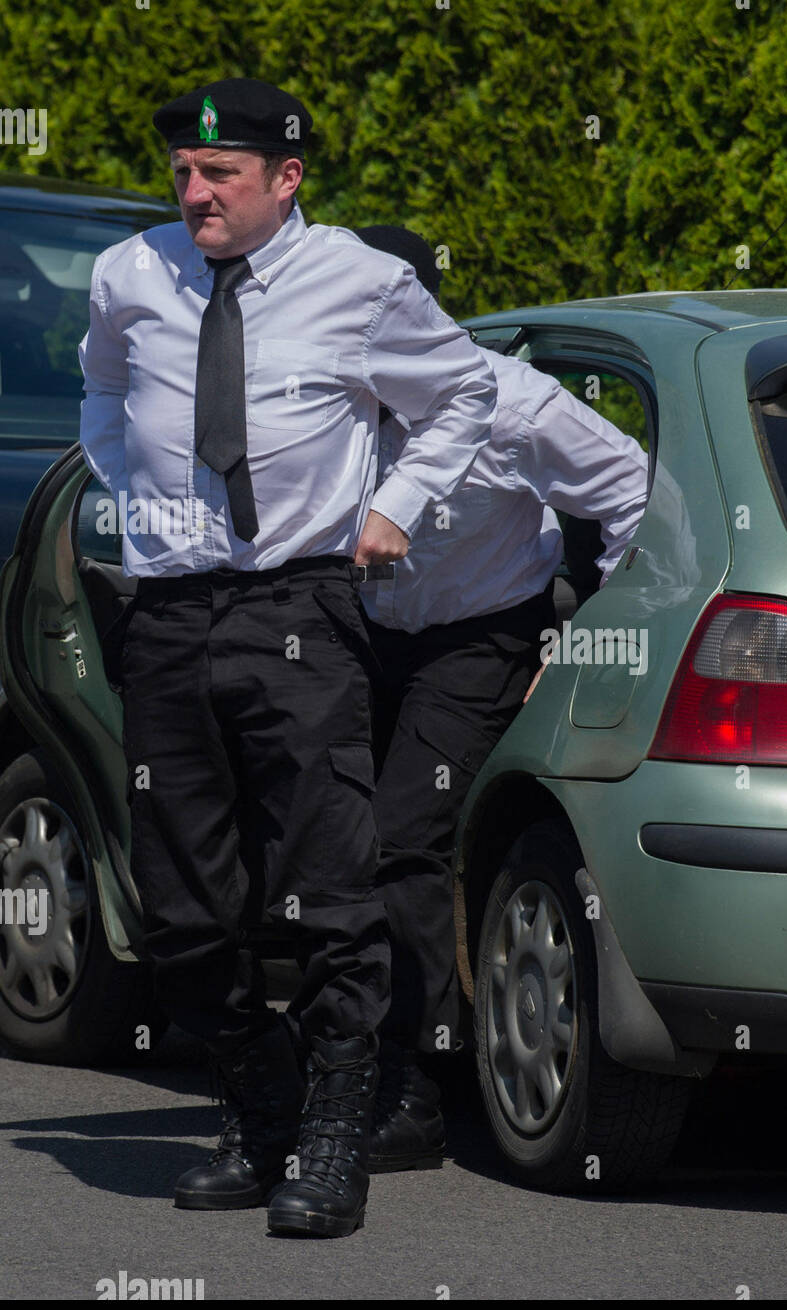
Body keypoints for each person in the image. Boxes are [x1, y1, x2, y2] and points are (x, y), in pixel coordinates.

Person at [78, 80, 497, 1238]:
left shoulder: (363, 282)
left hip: (299, 606)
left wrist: (401, 498)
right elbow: (102, 391)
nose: (194, 191)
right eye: (183, 172)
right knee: (182, 904)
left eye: (221, 175)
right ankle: (260, 1102)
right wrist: (132, 492)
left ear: (288, 178)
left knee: (324, 882)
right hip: (166, 611)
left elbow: (464, 392)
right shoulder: (132, 275)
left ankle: (334, 1128)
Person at [347, 226, 650, 1172]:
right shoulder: (331, 405)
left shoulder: (513, 404)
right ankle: (339, 1058)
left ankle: (417, 1088)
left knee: (403, 839)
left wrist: (595, 627)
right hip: (361, 632)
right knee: (324, 835)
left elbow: (629, 488)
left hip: (479, 639)